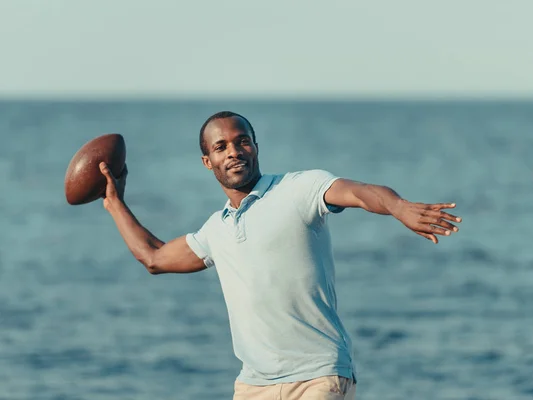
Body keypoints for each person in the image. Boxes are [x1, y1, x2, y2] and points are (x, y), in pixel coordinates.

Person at [99, 111, 462, 400]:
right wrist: (115, 203)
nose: (234, 152)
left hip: (318, 378)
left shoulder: (298, 189)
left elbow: (362, 192)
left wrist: (398, 206)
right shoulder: (215, 229)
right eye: (221, 146)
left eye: (242, 142)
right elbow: (154, 257)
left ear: (255, 147)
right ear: (207, 161)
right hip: (253, 386)